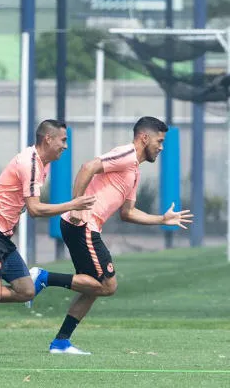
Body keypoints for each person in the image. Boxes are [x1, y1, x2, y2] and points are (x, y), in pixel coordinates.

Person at [27, 116, 192, 354]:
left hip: (84, 227)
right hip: (82, 225)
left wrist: (162, 219)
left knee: (93, 287)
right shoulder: (125, 154)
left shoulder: (134, 170)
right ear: (144, 138)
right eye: (160, 140)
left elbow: (128, 213)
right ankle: (43, 277)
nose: (162, 147)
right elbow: (88, 167)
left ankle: (61, 342)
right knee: (107, 285)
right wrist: (76, 207)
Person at [0, 120, 96, 359]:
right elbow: (34, 209)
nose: (65, 146)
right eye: (63, 140)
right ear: (48, 139)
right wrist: (73, 205)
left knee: (26, 291)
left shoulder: (42, 164)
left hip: (1, 236)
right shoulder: (31, 163)